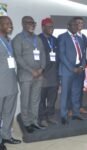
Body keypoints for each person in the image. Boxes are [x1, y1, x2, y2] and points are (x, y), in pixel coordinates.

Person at [13, 16, 46, 133]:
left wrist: (41, 69)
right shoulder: (18, 39)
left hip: (39, 75)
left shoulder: (38, 39)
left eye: (33, 23)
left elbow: (43, 54)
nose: (32, 24)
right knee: (25, 99)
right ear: (23, 24)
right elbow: (18, 57)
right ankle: (26, 123)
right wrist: (31, 70)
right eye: (29, 23)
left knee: (35, 100)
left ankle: (34, 121)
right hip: (26, 75)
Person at [58, 17, 87, 125]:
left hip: (79, 70)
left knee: (76, 93)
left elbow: (84, 55)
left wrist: (82, 67)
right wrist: (72, 68)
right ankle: (63, 116)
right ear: (68, 26)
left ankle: (76, 113)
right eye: (74, 25)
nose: (76, 26)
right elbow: (61, 55)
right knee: (65, 94)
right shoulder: (62, 37)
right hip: (67, 71)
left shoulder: (80, 38)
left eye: (77, 25)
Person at [0, 16, 21, 150]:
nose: (10, 25)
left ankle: (6, 135)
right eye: (6, 23)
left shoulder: (9, 41)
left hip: (12, 82)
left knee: (9, 112)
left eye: (11, 23)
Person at [38, 18, 59, 127]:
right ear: (43, 27)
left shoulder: (55, 40)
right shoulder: (37, 39)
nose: (52, 28)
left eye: (52, 26)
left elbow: (58, 58)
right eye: (49, 26)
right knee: (41, 99)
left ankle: (50, 116)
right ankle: (41, 118)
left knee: (52, 98)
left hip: (54, 75)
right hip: (42, 75)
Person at [67, 17, 87, 116]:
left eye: (81, 23)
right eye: (78, 23)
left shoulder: (84, 37)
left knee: (80, 88)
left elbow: (86, 53)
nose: (80, 24)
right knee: (71, 89)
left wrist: (83, 66)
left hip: (82, 68)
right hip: (72, 69)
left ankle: (79, 107)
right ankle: (70, 109)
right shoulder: (69, 37)